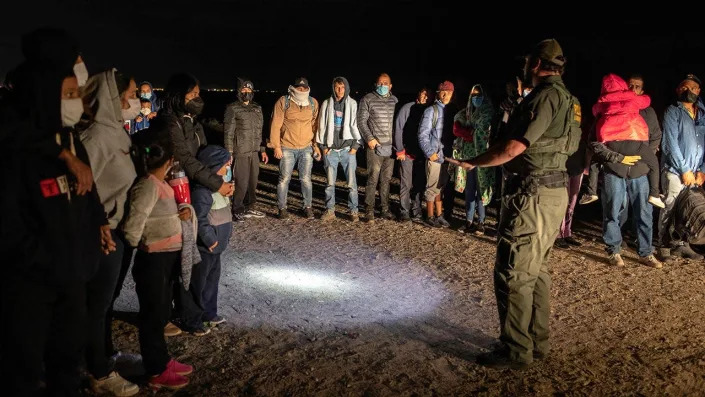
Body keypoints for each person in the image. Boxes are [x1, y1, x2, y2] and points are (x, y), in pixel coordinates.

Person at [459, 39, 580, 369]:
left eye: (529, 62)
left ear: (538, 65)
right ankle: (536, 342)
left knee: (513, 273)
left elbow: (514, 147)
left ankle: (516, 350)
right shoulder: (570, 100)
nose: (525, 67)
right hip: (553, 191)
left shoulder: (544, 97)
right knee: (537, 271)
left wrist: (476, 162)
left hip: (533, 194)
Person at [1, 28, 106, 396]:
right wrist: (51, 262)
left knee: (67, 363)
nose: (77, 100)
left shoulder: (70, 138)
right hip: (32, 284)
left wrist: (97, 226)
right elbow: (10, 227)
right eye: (71, 94)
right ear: (45, 93)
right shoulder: (17, 148)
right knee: (24, 371)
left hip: (70, 279)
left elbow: (86, 190)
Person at [80, 68, 139, 396]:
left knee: (107, 301)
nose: (132, 100)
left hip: (120, 230)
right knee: (96, 304)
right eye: (128, 95)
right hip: (103, 234)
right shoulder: (96, 138)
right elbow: (82, 192)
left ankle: (105, 353)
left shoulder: (116, 131)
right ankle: (97, 373)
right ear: (110, 97)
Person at [122, 141, 194, 390]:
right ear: (167, 162)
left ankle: (162, 361)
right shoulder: (147, 186)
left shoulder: (161, 184)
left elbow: (164, 212)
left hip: (165, 257)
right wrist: (135, 243)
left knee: (160, 313)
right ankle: (156, 371)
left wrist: (183, 211)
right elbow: (135, 221)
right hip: (153, 259)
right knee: (152, 317)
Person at [587, 73, 664, 208]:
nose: (633, 89)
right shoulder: (634, 101)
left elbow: (656, 136)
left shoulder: (605, 104)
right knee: (615, 212)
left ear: (641, 90)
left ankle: (591, 191)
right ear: (624, 87)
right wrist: (618, 158)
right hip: (614, 167)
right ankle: (655, 194)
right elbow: (592, 140)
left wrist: (642, 158)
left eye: (637, 86)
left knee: (643, 214)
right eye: (630, 85)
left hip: (639, 168)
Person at [658, 74, 705, 260]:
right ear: (678, 90)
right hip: (675, 170)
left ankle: (682, 244)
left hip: (695, 172)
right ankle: (663, 245)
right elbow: (670, 144)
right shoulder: (672, 111)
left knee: (687, 209)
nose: (689, 91)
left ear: (699, 91)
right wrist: (684, 169)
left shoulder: (702, 114)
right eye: (685, 87)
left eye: (693, 88)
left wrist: (702, 170)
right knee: (669, 206)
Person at [192, 145, 233, 326]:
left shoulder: (220, 188)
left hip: (217, 246)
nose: (227, 170)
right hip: (207, 247)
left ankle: (210, 313)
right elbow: (200, 220)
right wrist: (210, 239)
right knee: (200, 282)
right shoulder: (203, 191)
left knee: (212, 281)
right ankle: (196, 315)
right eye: (225, 166)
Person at [269, 77, 321, 219]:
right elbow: (275, 124)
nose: (302, 90)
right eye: (299, 88)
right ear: (293, 88)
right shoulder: (283, 101)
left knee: (306, 179)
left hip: (306, 147)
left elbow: (315, 126)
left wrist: (316, 146)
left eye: (304, 88)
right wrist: (276, 146)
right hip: (286, 147)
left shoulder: (313, 102)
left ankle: (307, 207)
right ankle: (282, 208)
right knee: (284, 178)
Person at [316, 76, 362, 221]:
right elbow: (321, 126)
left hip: (348, 149)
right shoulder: (327, 103)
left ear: (346, 88)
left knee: (352, 184)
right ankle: (330, 210)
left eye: (342, 87)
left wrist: (355, 147)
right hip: (331, 151)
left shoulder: (352, 104)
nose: (340, 90)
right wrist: (323, 147)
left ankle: (353, 211)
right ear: (333, 88)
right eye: (337, 87)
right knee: (329, 183)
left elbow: (357, 125)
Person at [223, 78, 268, 222]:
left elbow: (260, 130)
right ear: (238, 91)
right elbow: (228, 132)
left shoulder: (257, 108)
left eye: (249, 90)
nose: (246, 93)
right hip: (240, 150)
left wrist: (262, 149)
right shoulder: (233, 108)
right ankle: (237, 208)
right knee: (241, 181)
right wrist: (228, 151)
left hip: (254, 151)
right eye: (243, 90)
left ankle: (250, 207)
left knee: (252, 181)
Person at [452, 84, 495, 234]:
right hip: (469, 156)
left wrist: (470, 133)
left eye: (479, 95)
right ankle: (469, 220)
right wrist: (463, 130)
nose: (476, 99)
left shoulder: (487, 111)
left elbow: (482, 130)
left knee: (481, 189)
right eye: (474, 96)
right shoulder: (468, 112)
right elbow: (459, 121)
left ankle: (481, 221)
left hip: (484, 156)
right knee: (470, 189)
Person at [358, 73, 398, 222]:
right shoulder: (367, 99)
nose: (383, 85)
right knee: (372, 178)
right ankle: (369, 210)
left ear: (391, 85)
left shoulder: (395, 101)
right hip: (374, 147)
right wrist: (369, 139)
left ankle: (385, 209)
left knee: (386, 180)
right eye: (380, 83)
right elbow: (361, 121)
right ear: (376, 84)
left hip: (390, 148)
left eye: (386, 83)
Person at [419, 81, 455, 228]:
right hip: (435, 155)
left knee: (441, 187)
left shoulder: (452, 111)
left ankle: (439, 215)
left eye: (449, 92)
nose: (446, 95)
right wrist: (429, 153)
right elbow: (422, 134)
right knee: (431, 187)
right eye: (443, 92)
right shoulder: (431, 111)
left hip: (446, 156)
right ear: (438, 93)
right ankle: (429, 215)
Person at [394, 87, 429, 222]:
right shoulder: (407, 108)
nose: (425, 97)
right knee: (406, 183)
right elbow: (398, 127)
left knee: (419, 185)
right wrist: (399, 148)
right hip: (406, 152)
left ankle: (417, 210)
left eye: (428, 94)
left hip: (422, 154)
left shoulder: (430, 110)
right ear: (419, 93)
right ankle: (404, 210)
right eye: (423, 93)